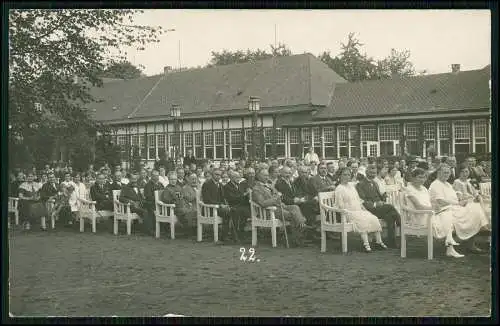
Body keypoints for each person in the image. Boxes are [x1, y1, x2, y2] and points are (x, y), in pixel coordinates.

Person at [429, 164, 489, 254]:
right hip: (443, 211)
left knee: (474, 207)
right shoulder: (436, 184)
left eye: (448, 173)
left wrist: (463, 200)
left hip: (453, 207)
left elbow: (456, 198)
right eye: (444, 173)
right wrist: (458, 203)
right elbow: (440, 202)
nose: (447, 175)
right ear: (438, 173)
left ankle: (475, 238)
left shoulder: (447, 184)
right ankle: (478, 236)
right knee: (474, 210)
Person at [404, 168, 462, 257]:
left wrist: (435, 205)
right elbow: (418, 206)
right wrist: (432, 208)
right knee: (447, 216)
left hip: (429, 213)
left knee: (448, 214)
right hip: (418, 216)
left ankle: (450, 248)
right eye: (419, 177)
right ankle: (450, 246)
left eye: (424, 177)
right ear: (413, 178)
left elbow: (429, 201)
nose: (422, 180)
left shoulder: (423, 188)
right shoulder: (409, 189)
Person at [252, 167, 309, 247]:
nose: (267, 177)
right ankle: (299, 237)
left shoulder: (269, 185)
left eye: (267, 175)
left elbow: (278, 194)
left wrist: (279, 198)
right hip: (269, 211)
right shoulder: (256, 189)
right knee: (292, 215)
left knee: (295, 207)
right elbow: (262, 203)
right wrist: (275, 199)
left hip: (279, 206)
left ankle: (301, 226)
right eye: (264, 175)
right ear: (258, 176)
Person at [334, 167, 387, 252]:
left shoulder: (351, 186)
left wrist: (364, 209)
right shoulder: (339, 188)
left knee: (373, 218)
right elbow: (340, 205)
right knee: (362, 220)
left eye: (348, 175)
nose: (347, 176)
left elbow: (358, 200)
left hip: (358, 210)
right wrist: (347, 212)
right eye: (344, 175)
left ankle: (378, 242)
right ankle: (366, 244)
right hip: (348, 212)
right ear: (340, 176)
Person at [356, 164, 401, 248]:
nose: (373, 174)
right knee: (390, 207)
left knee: (390, 216)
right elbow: (362, 201)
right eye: (371, 172)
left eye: (374, 173)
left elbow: (379, 197)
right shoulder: (360, 184)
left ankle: (391, 242)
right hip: (369, 210)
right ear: (366, 172)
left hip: (380, 209)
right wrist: (376, 204)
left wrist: (383, 196)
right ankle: (400, 222)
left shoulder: (375, 183)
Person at [201, 168, 231, 244]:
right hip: (209, 209)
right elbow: (207, 200)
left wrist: (225, 204)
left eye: (220, 175)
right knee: (227, 212)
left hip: (218, 208)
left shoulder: (220, 184)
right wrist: (220, 205)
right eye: (216, 174)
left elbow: (222, 197)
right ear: (212, 175)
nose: (218, 176)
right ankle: (224, 236)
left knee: (231, 210)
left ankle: (229, 234)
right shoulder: (207, 184)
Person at [223, 170, 251, 240]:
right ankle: (235, 233)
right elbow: (232, 198)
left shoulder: (239, 185)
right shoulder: (227, 186)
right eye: (236, 177)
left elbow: (241, 196)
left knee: (249, 208)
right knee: (239, 211)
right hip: (233, 205)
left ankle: (241, 231)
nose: (238, 179)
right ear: (232, 178)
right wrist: (245, 194)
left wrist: (247, 194)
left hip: (240, 205)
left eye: (239, 177)